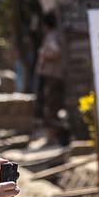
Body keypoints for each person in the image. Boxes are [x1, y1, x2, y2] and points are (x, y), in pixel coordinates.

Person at [34, 14, 66, 145]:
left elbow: (55, 51)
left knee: (51, 107)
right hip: (52, 75)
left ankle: (54, 137)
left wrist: (44, 55)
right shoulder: (53, 35)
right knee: (51, 106)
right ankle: (53, 136)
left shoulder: (52, 36)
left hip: (52, 76)